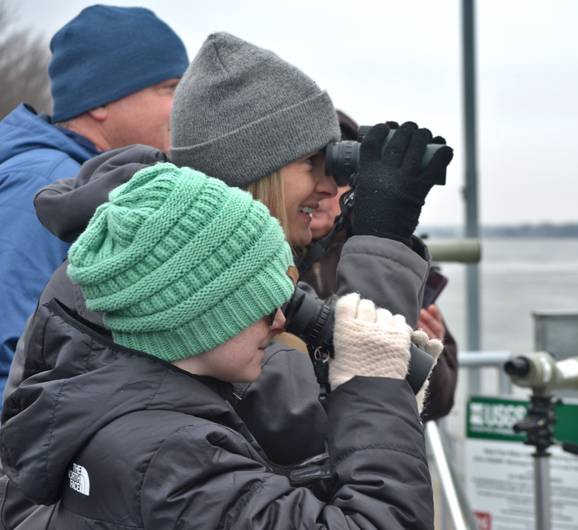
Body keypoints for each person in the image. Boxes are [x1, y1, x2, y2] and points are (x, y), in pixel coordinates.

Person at [2, 33, 453, 523]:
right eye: (312, 163)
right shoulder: (174, 294)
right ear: (257, 170)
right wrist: (380, 244)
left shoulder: (169, 267)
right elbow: (333, 417)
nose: (331, 186)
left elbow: (393, 392)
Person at [0, 4, 188, 395]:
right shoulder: (48, 182)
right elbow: (13, 346)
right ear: (100, 101)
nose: (183, 104)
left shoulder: (79, 181)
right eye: (169, 88)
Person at [303, 110, 459, 421]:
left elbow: (440, 402)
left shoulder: (396, 260)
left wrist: (427, 355)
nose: (324, 190)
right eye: (308, 170)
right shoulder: (270, 261)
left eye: (339, 175)